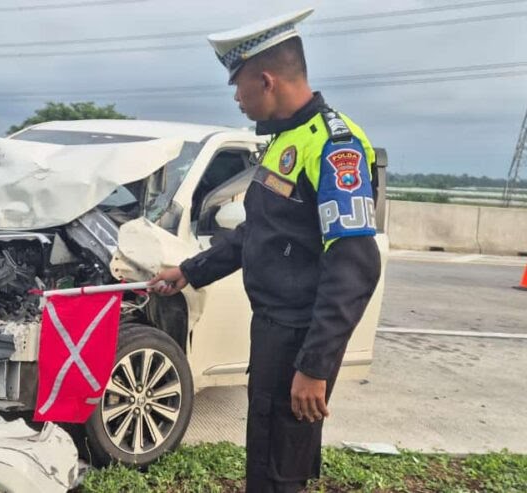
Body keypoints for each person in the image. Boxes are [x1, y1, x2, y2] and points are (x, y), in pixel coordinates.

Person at [150, 8, 382, 492]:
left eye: (238, 85)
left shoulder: (336, 146)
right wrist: (190, 271)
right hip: (272, 328)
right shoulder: (282, 143)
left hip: (303, 336)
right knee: (265, 452)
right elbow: (259, 235)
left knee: (283, 469)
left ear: (266, 79)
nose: (236, 97)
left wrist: (314, 366)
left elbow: (355, 265)